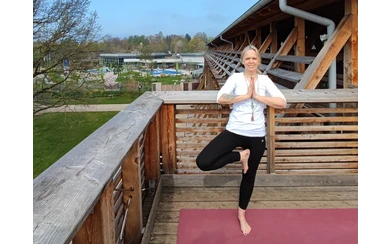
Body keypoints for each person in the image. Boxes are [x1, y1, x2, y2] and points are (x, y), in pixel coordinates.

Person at [195, 45, 287, 236]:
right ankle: (240, 156)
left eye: (254, 58)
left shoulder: (264, 80)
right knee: (203, 162)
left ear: (258, 61)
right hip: (234, 130)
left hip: (256, 135)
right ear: (243, 61)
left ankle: (242, 215)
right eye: (248, 58)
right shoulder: (236, 78)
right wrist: (244, 96)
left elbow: (282, 102)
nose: (251, 61)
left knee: (249, 176)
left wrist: (258, 96)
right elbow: (221, 98)